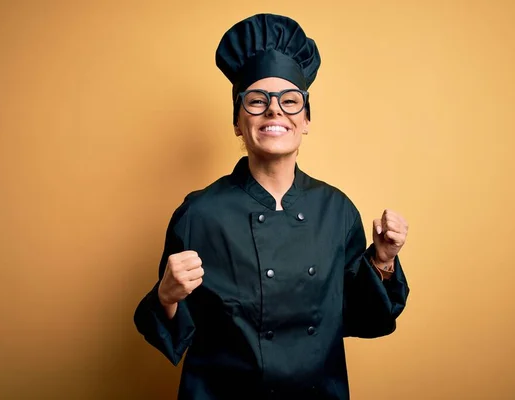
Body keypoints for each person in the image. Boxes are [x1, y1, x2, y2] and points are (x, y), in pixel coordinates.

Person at [134, 13, 410, 400]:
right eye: (257, 100)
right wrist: (166, 296)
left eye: (290, 101)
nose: (275, 111)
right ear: (237, 121)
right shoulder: (199, 214)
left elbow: (359, 317)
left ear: (307, 120)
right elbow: (170, 330)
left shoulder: (338, 210)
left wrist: (382, 261)